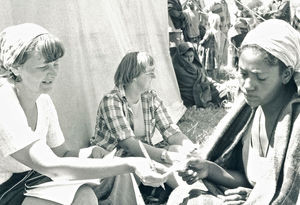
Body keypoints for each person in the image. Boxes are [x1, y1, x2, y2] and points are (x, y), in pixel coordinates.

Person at [0, 23, 167, 205]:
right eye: (43, 67)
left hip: (35, 179)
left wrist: (89, 152)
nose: (53, 72)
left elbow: (62, 154)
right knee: (84, 197)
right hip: (8, 190)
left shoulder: (42, 101)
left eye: (55, 64)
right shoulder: (4, 102)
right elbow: (51, 166)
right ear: (15, 67)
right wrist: (132, 163)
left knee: (117, 174)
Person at [168, 19, 300, 204]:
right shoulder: (249, 113)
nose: (247, 86)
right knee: (184, 196)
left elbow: (289, 193)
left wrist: (255, 198)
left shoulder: (296, 126)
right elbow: (253, 179)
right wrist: (208, 169)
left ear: (286, 74)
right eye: (243, 74)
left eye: (260, 77)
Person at [90, 51, 199, 191]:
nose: (154, 76)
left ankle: (194, 187)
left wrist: (189, 148)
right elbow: (129, 144)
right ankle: (192, 192)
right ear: (134, 76)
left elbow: (170, 131)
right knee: (163, 160)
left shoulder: (150, 98)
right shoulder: (111, 101)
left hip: (141, 155)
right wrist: (165, 156)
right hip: (113, 162)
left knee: (177, 150)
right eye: (150, 73)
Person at [172, 42, 228, 108]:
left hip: (203, 86)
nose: (189, 59)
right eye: (186, 57)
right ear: (181, 56)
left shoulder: (195, 65)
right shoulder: (177, 68)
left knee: (219, 88)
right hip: (191, 95)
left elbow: (203, 77)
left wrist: (209, 82)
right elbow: (191, 83)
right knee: (212, 93)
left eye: (191, 56)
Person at [200, 13, 227, 80]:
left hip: (208, 50)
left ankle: (209, 78)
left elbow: (204, 40)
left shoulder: (209, 32)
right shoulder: (218, 31)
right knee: (214, 65)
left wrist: (200, 43)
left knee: (208, 66)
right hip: (215, 50)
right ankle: (215, 77)